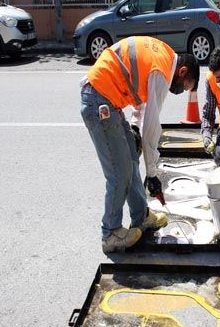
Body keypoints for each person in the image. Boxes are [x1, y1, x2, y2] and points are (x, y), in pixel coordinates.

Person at [80, 36, 200, 253]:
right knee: (119, 172)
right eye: (184, 87)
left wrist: (134, 127)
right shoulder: (163, 73)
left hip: (107, 100)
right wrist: (152, 174)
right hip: (99, 102)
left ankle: (141, 216)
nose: (179, 92)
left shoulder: (163, 55)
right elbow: (152, 129)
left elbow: (139, 91)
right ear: (182, 72)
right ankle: (110, 233)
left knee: (132, 158)